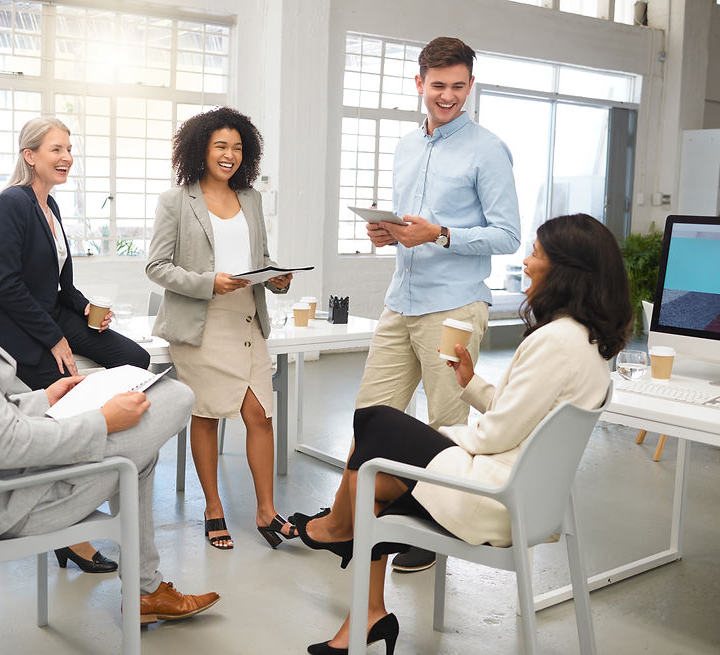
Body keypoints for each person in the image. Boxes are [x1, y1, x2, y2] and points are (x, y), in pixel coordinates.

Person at [0, 183, 220, 626]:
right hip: (5, 501)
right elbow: (7, 445)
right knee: (177, 396)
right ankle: (145, 590)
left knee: (139, 454)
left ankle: (146, 590)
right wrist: (102, 420)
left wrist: (42, 398)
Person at [294, 213, 632, 654]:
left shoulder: (555, 341)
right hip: (529, 498)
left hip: (495, 498)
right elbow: (521, 415)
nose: (526, 263)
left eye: (536, 254)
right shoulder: (586, 342)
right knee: (369, 480)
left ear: (565, 270)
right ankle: (369, 612)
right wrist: (469, 383)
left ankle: (339, 533)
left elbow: (494, 436)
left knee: (375, 421)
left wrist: (443, 440)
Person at [292, 36, 522, 573]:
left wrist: (440, 234)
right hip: (401, 301)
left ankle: (432, 532)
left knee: (446, 426)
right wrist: (388, 232)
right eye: (438, 85)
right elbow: (409, 227)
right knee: (370, 417)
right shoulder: (405, 147)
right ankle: (350, 519)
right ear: (419, 83)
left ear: (471, 84)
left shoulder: (488, 149)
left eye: (459, 86)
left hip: (455, 307)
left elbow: (509, 235)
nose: (448, 96)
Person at [0, 117, 150, 573]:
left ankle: (111, 441)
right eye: (56, 149)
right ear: (29, 155)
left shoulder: (49, 206)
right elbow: (4, 285)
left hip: (50, 313)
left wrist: (87, 306)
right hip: (11, 325)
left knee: (135, 359)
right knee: (66, 397)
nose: (67, 157)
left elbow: (59, 285)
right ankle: (69, 529)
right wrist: (53, 338)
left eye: (69, 149)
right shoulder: (10, 204)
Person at [145, 107, 296, 551]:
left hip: (248, 317)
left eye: (237, 147)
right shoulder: (176, 201)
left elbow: (259, 258)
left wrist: (276, 277)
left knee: (259, 414)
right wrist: (209, 283)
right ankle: (213, 507)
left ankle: (266, 512)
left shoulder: (251, 198)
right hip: (202, 322)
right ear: (201, 150)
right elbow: (157, 266)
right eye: (220, 146)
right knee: (207, 414)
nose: (230, 155)